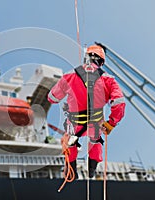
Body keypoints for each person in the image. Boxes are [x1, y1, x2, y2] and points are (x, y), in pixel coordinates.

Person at [47, 44, 125, 178]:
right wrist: (112, 123)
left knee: (70, 141)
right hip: (96, 123)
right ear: (101, 62)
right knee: (95, 140)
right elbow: (119, 102)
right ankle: (92, 168)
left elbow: (52, 98)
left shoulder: (69, 76)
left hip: (75, 122)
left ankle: (71, 169)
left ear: (86, 58)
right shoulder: (109, 80)